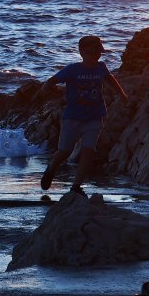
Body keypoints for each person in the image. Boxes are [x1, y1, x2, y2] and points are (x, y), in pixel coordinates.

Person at [37, 35, 128, 197]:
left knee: (88, 151)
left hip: (95, 116)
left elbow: (111, 80)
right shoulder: (73, 69)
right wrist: (45, 89)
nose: (97, 56)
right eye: (93, 53)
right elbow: (52, 80)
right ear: (82, 52)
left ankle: (76, 186)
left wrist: (121, 94)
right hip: (72, 117)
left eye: (99, 52)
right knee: (65, 151)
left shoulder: (101, 67)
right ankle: (51, 169)